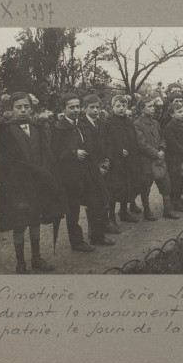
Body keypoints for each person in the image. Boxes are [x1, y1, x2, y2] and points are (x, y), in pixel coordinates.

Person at [0, 92, 67, 273]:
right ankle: (20, 262)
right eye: (18, 107)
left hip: (38, 185)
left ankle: (36, 258)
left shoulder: (38, 128)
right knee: (20, 224)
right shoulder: (4, 131)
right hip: (18, 186)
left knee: (35, 220)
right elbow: (7, 161)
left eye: (26, 107)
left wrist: (49, 175)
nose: (22, 110)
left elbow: (47, 154)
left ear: (31, 107)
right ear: (11, 109)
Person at [50, 93, 111, 252]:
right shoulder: (59, 129)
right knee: (73, 209)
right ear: (63, 109)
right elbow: (54, 154)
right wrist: (72, 153)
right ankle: (77, 242)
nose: (75, 110)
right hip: (70, 176)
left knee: (96, 202)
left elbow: (91, 146)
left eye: (77, 106)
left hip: (88, 171)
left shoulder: (82, 125)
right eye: (71, 107)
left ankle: (97, 236)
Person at [79, 94, 119, 236]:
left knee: (106, 196)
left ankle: (104, 224)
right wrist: (96, 167)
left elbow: (109, 142)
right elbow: (84, 147)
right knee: (93, 200)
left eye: (97, 107)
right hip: (91, 168)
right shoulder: (81, 124)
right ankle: (93, 231)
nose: (95, 110)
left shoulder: (102, 123)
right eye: (92, 107)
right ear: (84, 108)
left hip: (104, 165)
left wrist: (108, 160)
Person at [134, 98, 179, 220]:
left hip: (159, 159)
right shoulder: (137, 124)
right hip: (146, 160)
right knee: (146, 185)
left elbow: (163, 138)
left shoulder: (155, 123)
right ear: (141, 109)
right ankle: (147, 210)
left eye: (153, 106)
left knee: (165, 182)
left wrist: (162, 149)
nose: (153, 108)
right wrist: (156, 153)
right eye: (149, 106)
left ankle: (167, 209)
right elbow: (141, 144)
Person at [105, 95, 143, 224]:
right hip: (115, 162)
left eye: (124, 106)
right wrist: (119, 151)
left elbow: (132, 138)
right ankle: (111, 217)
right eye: (118, 106)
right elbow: (107, 141)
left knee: (127, 186)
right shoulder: (108, 121)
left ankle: (123, 211)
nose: (121, 109)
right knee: (114, 188)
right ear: (113, 107)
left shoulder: (128, 121)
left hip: (128, 160)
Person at [163, 102, 183, 212]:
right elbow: (173, 144)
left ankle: (178, 199)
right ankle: (174, 202)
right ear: (172, 114)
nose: (182, 114)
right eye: (179, 112)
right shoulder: (170, 127)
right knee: (175, 180)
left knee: (181, 180)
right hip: (174, 159)